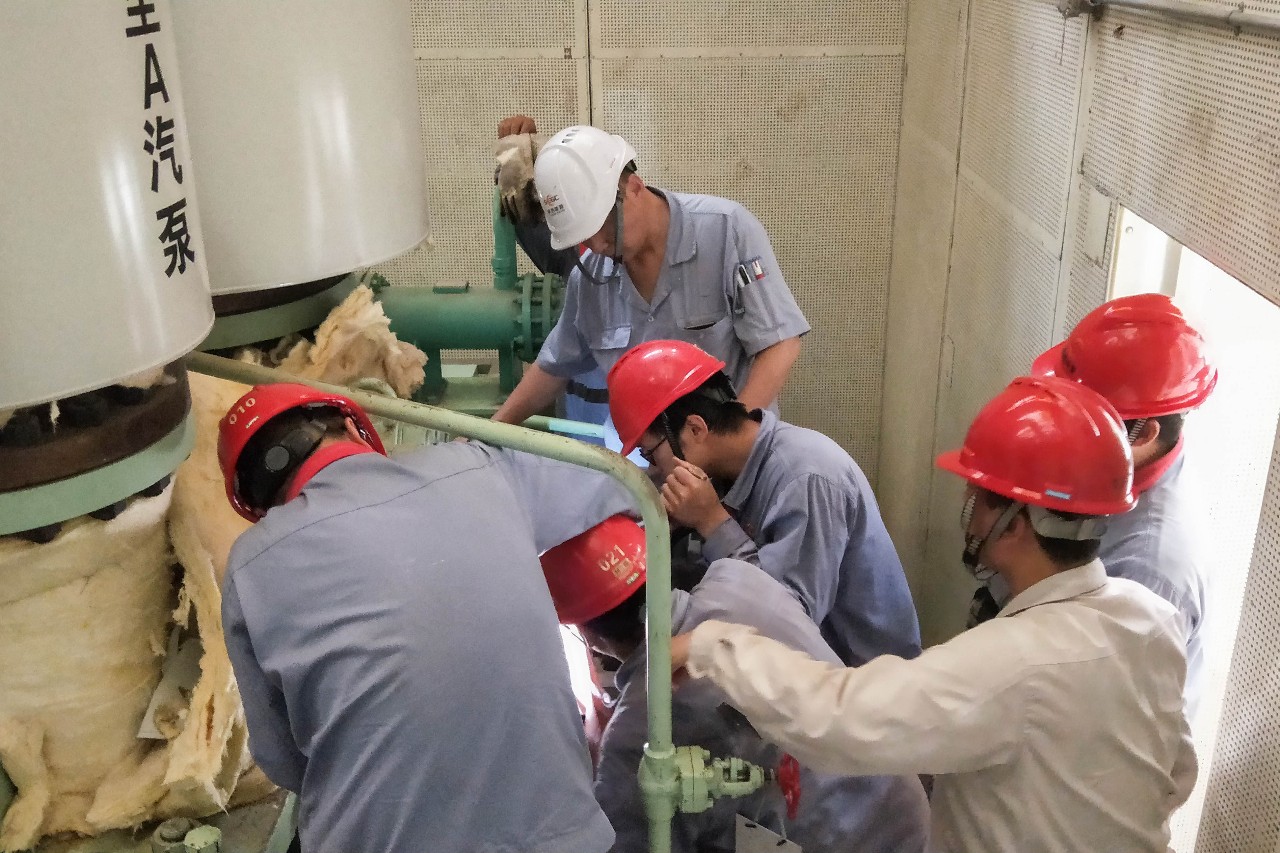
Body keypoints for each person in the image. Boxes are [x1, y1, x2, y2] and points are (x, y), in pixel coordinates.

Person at [670, 376, 1198, 853]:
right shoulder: (1150, 618)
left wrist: (712, 649)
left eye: (979, 497)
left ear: (1015, 524)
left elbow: (840, 719)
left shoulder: (1015, 661)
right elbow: (1175, 773)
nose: (969, 508)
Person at [217, 383, 636, 853]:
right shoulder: (477, 466)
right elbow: (624, 484)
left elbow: (282, 760)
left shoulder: (250, 565)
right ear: (354, 427)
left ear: (261, 506)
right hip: (563, 839)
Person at [539, 516, 930, 853]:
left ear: (587, 634)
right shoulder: (738, 576)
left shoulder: (639, 728)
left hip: (845, 841)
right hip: (901, 803)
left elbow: (629, 842)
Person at [971, 294, 1216, 719]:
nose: (1063, 423)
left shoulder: (1147, 568)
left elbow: (1087, 720)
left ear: (1143, 434)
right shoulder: (1113, 471)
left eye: (1087, 414)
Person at [606, 338, 920, 666]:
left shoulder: (807, 477)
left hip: (859, 677)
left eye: (650, 454)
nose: (655, 470)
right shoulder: (727, 471)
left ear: (696, 429)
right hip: (801, 666)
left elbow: (789, 627)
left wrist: (711, 521)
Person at [490, 118, 810, 436]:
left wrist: (728, 441)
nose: (597, 245)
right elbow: (554, 366)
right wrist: (488, 432)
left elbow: (780, 344)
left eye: (602, 226)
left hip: (732, 450)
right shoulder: (590, 278)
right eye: (584, 236)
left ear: (634, 187)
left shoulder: (726, 231)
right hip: (647, 455)